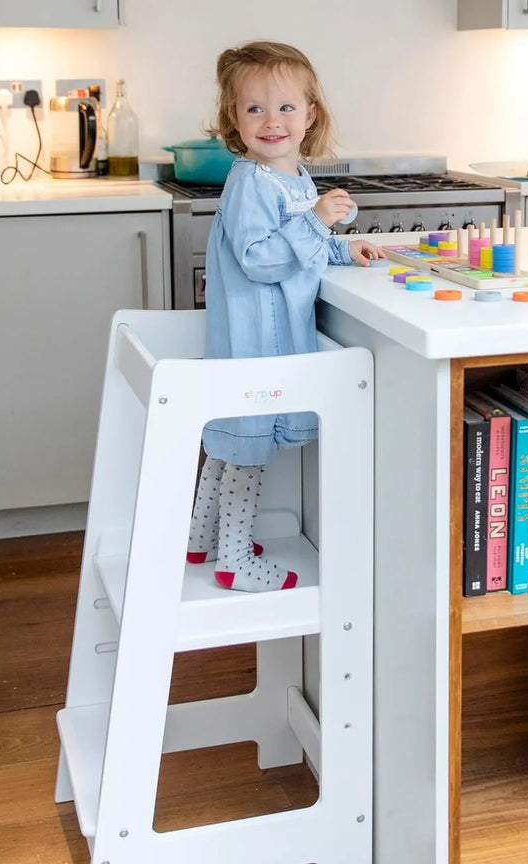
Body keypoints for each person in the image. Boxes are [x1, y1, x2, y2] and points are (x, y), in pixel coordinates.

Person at [186, 40, 384, 592]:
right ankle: (235, 562)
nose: (272, 121)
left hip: (267, 336)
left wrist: (345, 248)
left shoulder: (291, 177)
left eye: (286, 108)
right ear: (234, 119)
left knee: (229, 444)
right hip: (254, 339)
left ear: (310, 115)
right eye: (255, 109)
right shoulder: (250, 181)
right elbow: (259, 260)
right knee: (244, 450)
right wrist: (319, 222)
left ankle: (202, 540)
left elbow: (301, 248)